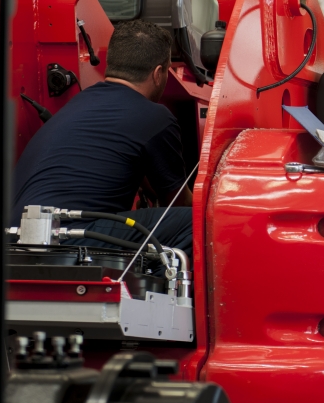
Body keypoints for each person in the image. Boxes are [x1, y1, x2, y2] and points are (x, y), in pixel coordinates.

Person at [12, 19, 193, 255]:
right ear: (158, 73)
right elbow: (179, 201)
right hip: (71, 237)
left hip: (16, 237)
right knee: (195, 222)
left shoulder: (79, 104)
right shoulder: (154, 116)